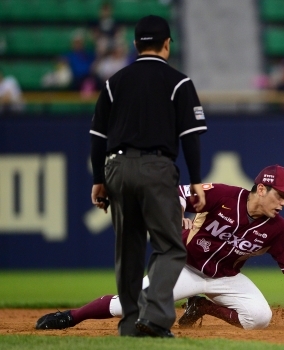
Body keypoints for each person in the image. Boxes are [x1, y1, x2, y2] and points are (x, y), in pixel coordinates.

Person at [35, 165, 284, 331]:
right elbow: (177, 193)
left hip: (225, 277)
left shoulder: (278, 229)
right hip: (184, 266)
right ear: (261, 188)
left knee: (259, 319)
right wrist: (178, 213)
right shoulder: (224, 195)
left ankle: (204, 307)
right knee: (129, 306)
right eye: (280, 194)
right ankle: (71, 316)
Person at [88, 15, 208, 338]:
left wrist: (99, 178)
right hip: (156, 168)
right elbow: (190, 137)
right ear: (167, 44)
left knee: (127, 250)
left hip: (116, 167)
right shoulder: (179, 82)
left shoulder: (115, 82)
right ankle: (153, 318)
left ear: (135, 45)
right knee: (169, 247)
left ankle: (130, 324)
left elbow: (98, 136)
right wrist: (196, 180)